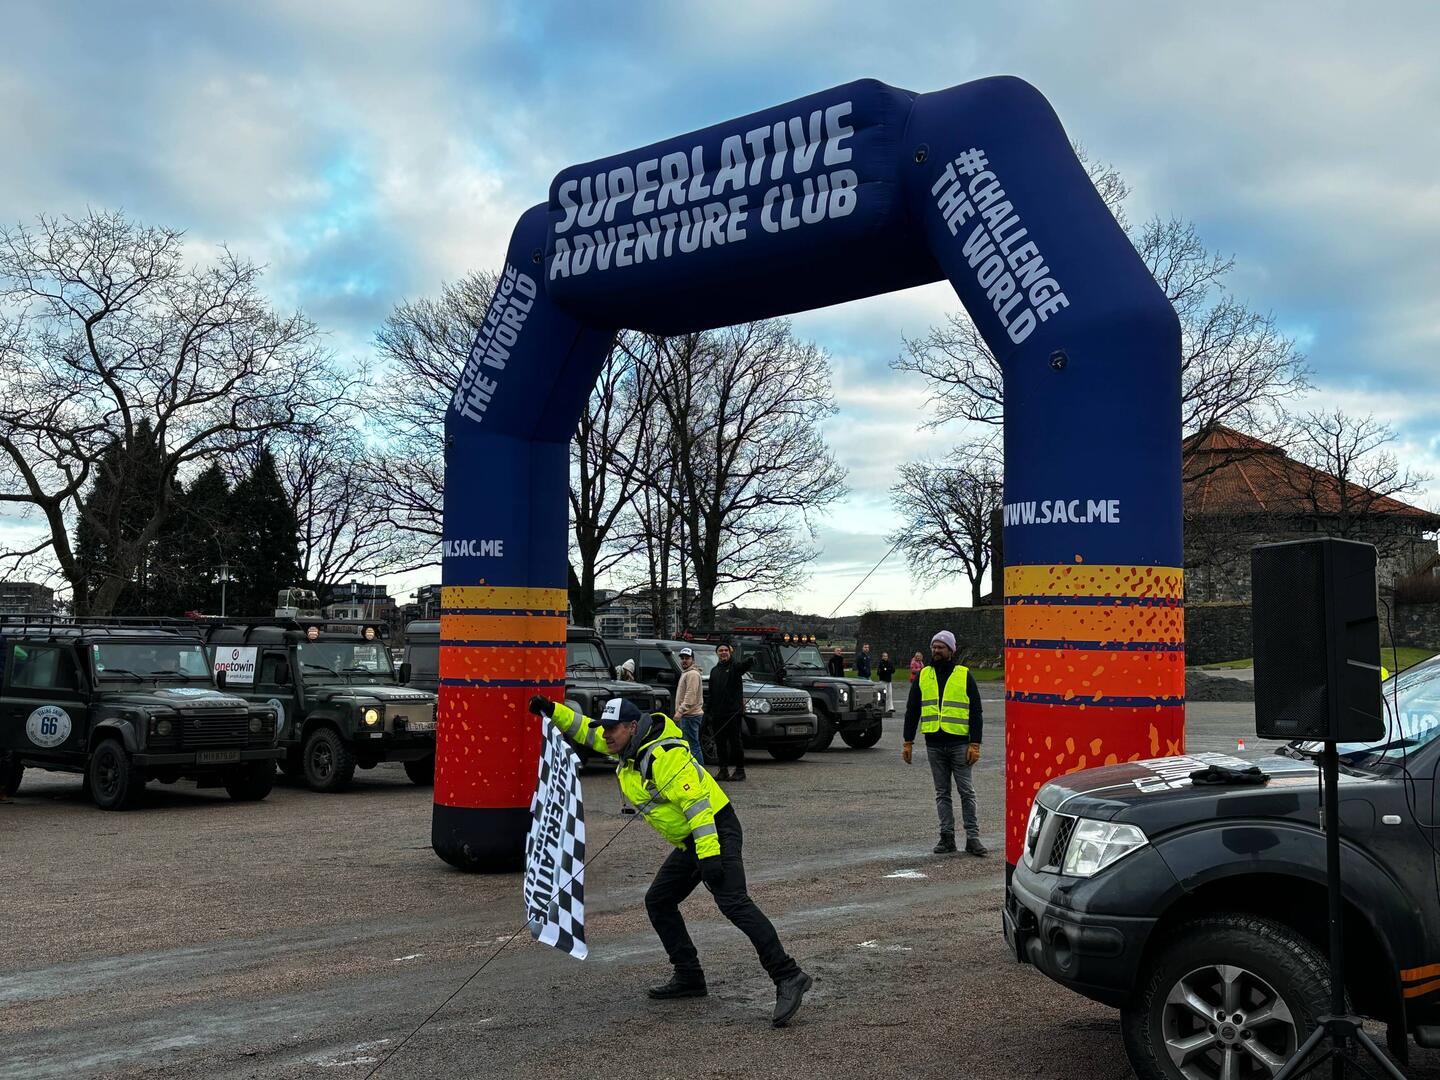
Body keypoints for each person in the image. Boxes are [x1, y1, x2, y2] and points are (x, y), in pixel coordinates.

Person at [528, 694, 813, 1026]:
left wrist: (709, 856)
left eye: (612, 729)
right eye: (605, 728)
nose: (605, 735)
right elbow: (584, 729)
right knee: (659, 901)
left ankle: (788, 975)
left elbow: (698, 805)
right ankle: (689, 975)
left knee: (734, 903)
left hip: (713, 829)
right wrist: (551, 710)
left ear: (631, 727)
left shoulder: (664, 756)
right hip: (691, 840)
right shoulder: (626, 744)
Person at [902, 630, 986, 856]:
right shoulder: (924, 675)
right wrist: (908, 740)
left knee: (966, 792)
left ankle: (972, 838)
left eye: (941, 647)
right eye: (934, 647)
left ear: (951, 650)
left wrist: (975, 743)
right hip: (934, 744)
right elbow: (912, 710)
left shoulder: (964, 674)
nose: (936, 650)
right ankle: (947, 837)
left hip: (959, 743)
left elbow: (976, 711)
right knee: (942, 793)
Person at [708, 642, 753, 782]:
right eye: (720, 650)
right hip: (717, 713)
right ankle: (723, 770)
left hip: (733, 713)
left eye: (726, 650)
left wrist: (750, 660)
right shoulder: (714, 671)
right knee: (720, 743)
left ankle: (740, 771)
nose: (723, 652)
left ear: (730, 652)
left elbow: (743, 666)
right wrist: (708, 712)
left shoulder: (735, 667)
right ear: (717, 653)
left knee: (735, 742)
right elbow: (711, 693)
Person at [675, 647, 705, 765]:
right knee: (690, 745)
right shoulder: (687, 673)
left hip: (690, 716)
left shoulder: (692, 674)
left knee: (693, 746)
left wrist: (680, 711)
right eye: (682, 658)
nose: (684, 660)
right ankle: (695, 771)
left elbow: (690, 695)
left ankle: (699, 772)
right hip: (688, 715)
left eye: (687, 658)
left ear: (693, 660)